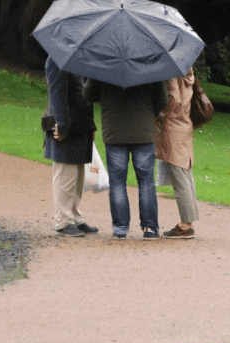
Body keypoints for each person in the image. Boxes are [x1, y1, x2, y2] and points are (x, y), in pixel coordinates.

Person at [84, 78, 169, 240]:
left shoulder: (104, 65)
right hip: (144, 130)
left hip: (114, 130)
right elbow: (162, 99)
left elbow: (88, 94)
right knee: (146, 181)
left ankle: (120, 228)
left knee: (117, 182)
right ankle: (149, 227)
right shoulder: (149, 65)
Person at [44, 56, 97, 237]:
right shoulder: (56, 59)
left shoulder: (79, 59)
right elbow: (56, 93)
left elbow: (85, 95)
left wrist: (91, 125)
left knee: (78, 176)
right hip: (64, 126)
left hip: (81, 125)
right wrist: (62, 125)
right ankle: (63, 221)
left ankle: (75, 218)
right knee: (65, 175)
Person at [155, 69, 199, 239]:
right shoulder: (187, 72)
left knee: (180, 177)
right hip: (184, 124)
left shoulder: (172, 74)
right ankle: (189, 221)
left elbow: (173, 102)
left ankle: (186, 225)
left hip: (174, 127)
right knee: (186, 175)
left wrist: (159, 114)